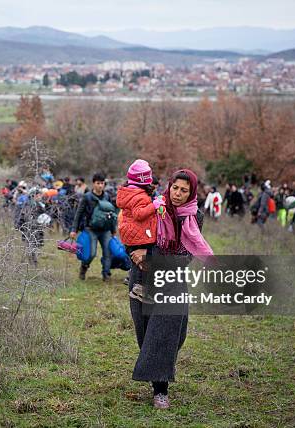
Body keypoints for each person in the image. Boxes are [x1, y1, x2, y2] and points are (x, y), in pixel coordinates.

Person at [128, 169, 213, 410]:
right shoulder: (154, 206)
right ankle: (157, 380)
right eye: (175, 188)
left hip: (171, 280)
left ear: (191, 192)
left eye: (184, 190)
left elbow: (185, 255)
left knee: (167, 333)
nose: (177, 194)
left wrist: (151, 254)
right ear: (169, 186)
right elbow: (132, 238)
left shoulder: (194, 216)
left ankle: (161, 390)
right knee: (146, 334)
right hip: (142, 279)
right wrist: (139, 254)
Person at [116, 159, 159, 295]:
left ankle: (137, 283)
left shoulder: (127, 192)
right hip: (140, 236)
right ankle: (140, 286)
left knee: (137, 262)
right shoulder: (140, 196)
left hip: (129, 234)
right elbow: (139, 214)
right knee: (143, 262)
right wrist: (154, 205)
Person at [70, 173, 116, 282]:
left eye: (102, 183)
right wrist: (73, 230)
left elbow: (111, 213)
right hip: (91, 229)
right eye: (98, 183)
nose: (100, 186)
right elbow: (78, 214)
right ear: (93, 183)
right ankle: (84, 267)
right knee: (91, 253)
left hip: (105, 230)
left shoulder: (107, 196)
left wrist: (113, 229)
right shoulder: (87, 197)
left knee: (107, 252)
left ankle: (106, 274)